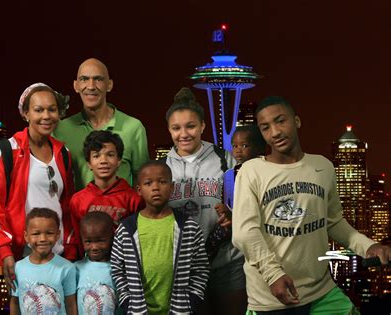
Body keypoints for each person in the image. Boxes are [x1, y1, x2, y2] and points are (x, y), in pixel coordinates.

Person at [232, 96, 391, 314]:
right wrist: (273, 274)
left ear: (297, 121)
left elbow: (334, 222)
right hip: (271, 298)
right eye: (266, 127)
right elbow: (244, 233)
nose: (275, 132)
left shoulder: (323, 166)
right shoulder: (252, 171)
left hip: (322, 293)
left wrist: (368, 246)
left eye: (280, 121)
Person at [0, 83, 77, 291]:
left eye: (52, 109)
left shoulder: (63, 153)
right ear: (25, 113)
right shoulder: (8, 150)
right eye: (39, 110)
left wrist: (70, 248)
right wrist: (5, 251)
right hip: (23, 254)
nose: (46, 115)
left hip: (59, 253)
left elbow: (68, 205)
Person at [163, 87, 246, 314]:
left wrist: (233, 215)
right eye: (176, 128)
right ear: (169, 130)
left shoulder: (223, 158)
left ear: (202, 126)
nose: (184, 134)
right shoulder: (163, 167)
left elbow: (245, 202)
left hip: (226, 261)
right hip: (184, 265)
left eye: (190, 126)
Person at [111, 161, 210, 314]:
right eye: (148, 183)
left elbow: (201, 268)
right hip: (138, 310)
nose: (155, 187)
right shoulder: (127, 229)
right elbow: (118, 269)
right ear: (139, 190)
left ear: (171, 188)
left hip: (180, 310)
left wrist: (192, 299)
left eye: (162, 182)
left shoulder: (188, 227)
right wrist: (127, 301)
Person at [53, 58, 150, 191]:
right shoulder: (60, 130)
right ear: (76, 86)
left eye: (98, 79)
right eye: (84, 79)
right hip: (76, 211)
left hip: (125, 211)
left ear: (109, 85)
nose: (91, 86)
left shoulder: (134, 127)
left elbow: (143, 180)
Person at [69, 130, 143, 256]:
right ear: (89, 164)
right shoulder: (78, 200)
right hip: (90, 265)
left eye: (110, 155)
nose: (103, 161)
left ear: (119, 161)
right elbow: (77, 239)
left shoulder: (134, 199)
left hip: (125, 263)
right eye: (96, 156)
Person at [205, 124, 267, 262]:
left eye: (244, 146)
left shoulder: (262, 169)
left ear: (258, 147)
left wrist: (231, 213)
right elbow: (233, 199)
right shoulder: (232, 172)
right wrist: (226, 209)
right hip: (235, 224)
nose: (238, 150)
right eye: (235, 146)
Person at [10, 207, 77, 315]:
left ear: (57, 235)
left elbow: (71, 304)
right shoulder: (18, 268)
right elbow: (15, 303)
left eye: (49, 233)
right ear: (26, 236)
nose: (43, 239)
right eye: (36, 234)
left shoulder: (67, 268)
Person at [74, 211, 121, 315]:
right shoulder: (76, 268)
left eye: (100, 241)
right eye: (88, 241)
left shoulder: (117, 268)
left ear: (112, 237)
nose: (94, 247)